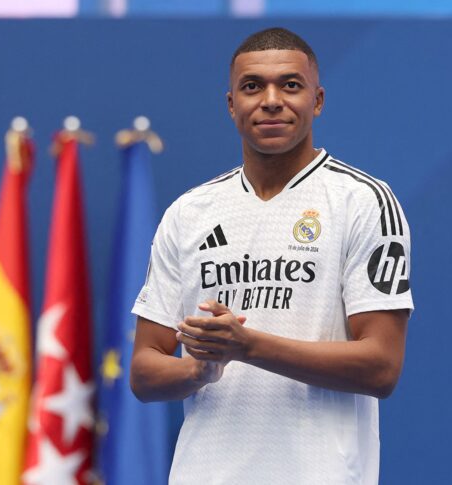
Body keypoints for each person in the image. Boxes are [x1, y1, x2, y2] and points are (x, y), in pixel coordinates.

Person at [130, 27, 413, 485]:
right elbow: (144, 372)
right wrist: (200, 368)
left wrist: (247, 347)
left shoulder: (362, 201)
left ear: (317, 100)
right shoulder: (189, 212)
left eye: (291, 84)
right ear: (231, 105)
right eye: (252, 86)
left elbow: (381, 367)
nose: (272, 99)